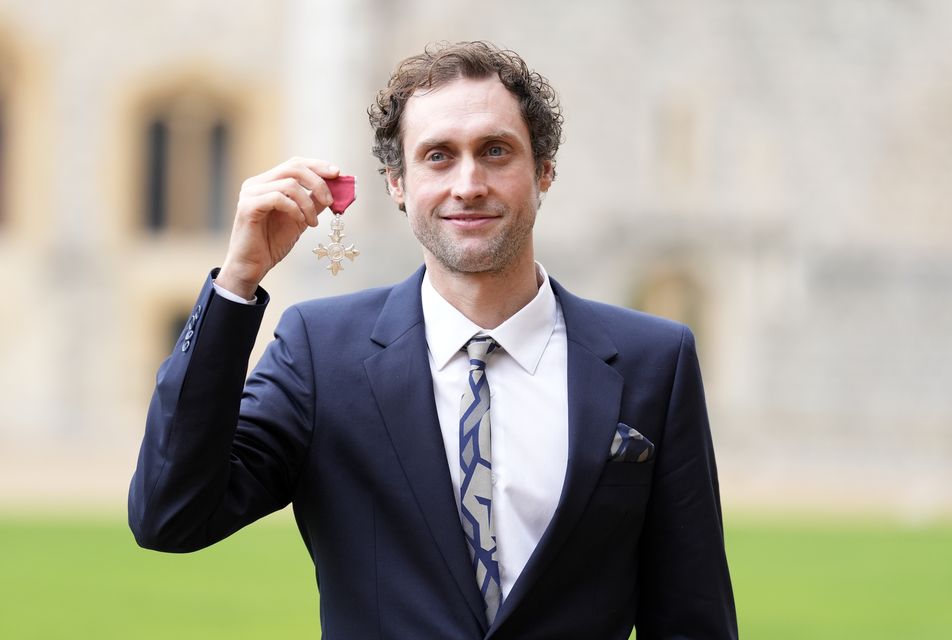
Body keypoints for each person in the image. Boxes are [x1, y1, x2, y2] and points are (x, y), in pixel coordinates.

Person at [129, 41, 737, 639]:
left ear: (544, 171)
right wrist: (236, 284)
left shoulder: (656, 360)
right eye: (439, 156)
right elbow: (171, 515)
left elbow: (692, 616)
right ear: (397, 183)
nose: (468, 183)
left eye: (496, 151)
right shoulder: (321, 353)